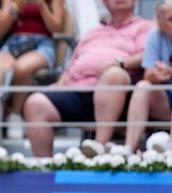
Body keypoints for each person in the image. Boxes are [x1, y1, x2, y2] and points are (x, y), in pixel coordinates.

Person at [22, 0, 154, 157]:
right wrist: (61, 83)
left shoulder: (145, 27)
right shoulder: (92, 33)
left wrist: (119, 63)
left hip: (122, 93)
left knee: (113, 74)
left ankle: (98, 149)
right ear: (104, 3)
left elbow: (147, 56)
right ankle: (43, 169)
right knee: (35, 102)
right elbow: (72, 66)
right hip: (79, 90)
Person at [0, 0, 65, 139]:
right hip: (14, 42)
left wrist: (42, 6)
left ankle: (15, 114)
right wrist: (15, 8)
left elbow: (56, 29)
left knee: (21, 68)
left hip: (42, 44)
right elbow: (0, 30)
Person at [124, 0, 172, 152]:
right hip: (165, 99)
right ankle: (128, 150)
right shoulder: (155, 35)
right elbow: (147, 75)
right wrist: (156, 75)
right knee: (142, 86)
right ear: (160, 22)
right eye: (171, 19)